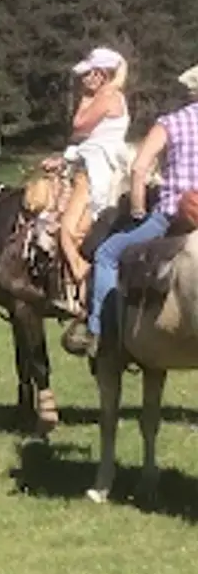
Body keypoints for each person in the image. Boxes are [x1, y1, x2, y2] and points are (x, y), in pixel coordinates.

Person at [63, 63, 198, 358]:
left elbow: (139, 169)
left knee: (108, 254)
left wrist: (138, 209)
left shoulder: (171, 123)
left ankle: (101, 332)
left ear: (191, 92)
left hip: (174, 214)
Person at [44, 48, 130, 294]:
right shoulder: (109, 95)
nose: (84, 80)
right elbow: (86, 139)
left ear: (102, 74)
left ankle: (83, 284)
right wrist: (64, 158)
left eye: (89, 74)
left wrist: (83, 99)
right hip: (92, 165)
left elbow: (79, 125)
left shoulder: (106, 96)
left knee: (68, 232)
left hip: (93, 174)